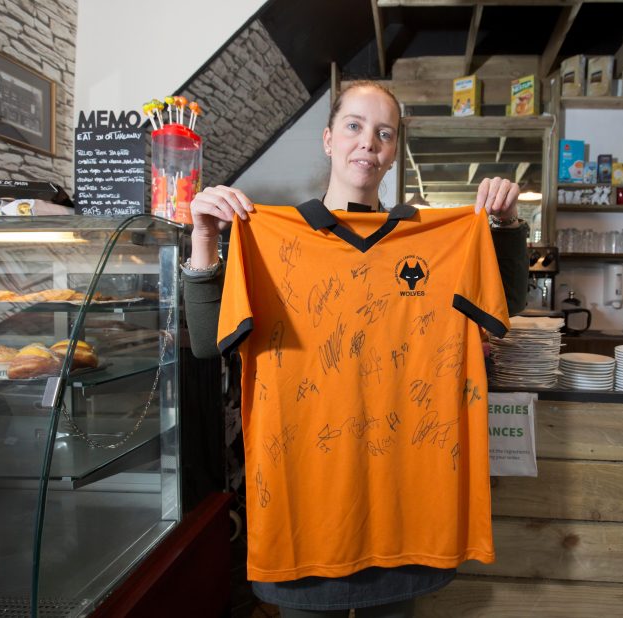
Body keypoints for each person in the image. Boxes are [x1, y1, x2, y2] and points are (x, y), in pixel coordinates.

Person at [182, 81, 527, 618]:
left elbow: (509, 303)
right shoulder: (270, 238)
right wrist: (204, 238)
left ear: (393, 152)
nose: (368, 141)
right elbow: (207, 344)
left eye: (383, 133)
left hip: (403, 516)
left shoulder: (436, 240)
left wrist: (503, 225)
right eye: (354, 126)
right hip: (306, 517)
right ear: (328, 139)